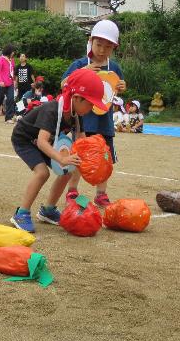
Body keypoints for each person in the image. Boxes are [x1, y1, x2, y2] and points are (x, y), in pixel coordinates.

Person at [10, 70, 109, 233]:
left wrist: (95, 159)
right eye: (90, 104)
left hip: (47, 141)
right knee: (42, 173)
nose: (91, 108)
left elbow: (83, 142)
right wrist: (61, 158)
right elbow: (41, 141)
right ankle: (21, 213)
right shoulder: (52, 110)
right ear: (77, 97)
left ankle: (48, 210)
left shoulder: (77, 113)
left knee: (67, 172)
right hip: (26, 139)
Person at [61, 20, 126, 207]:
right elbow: (63, 84)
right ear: (91, 41)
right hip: (83, 122)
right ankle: (72, 191)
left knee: (106, 158)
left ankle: (101, 194)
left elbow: (115, 88)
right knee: (80, 157)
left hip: (104, 122)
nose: (103, 50)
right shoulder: (81, 63)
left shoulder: (114, 68)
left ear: (114, 47)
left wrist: (122, 86)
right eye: (99, 45)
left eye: (108, 47)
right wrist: (82, 72)